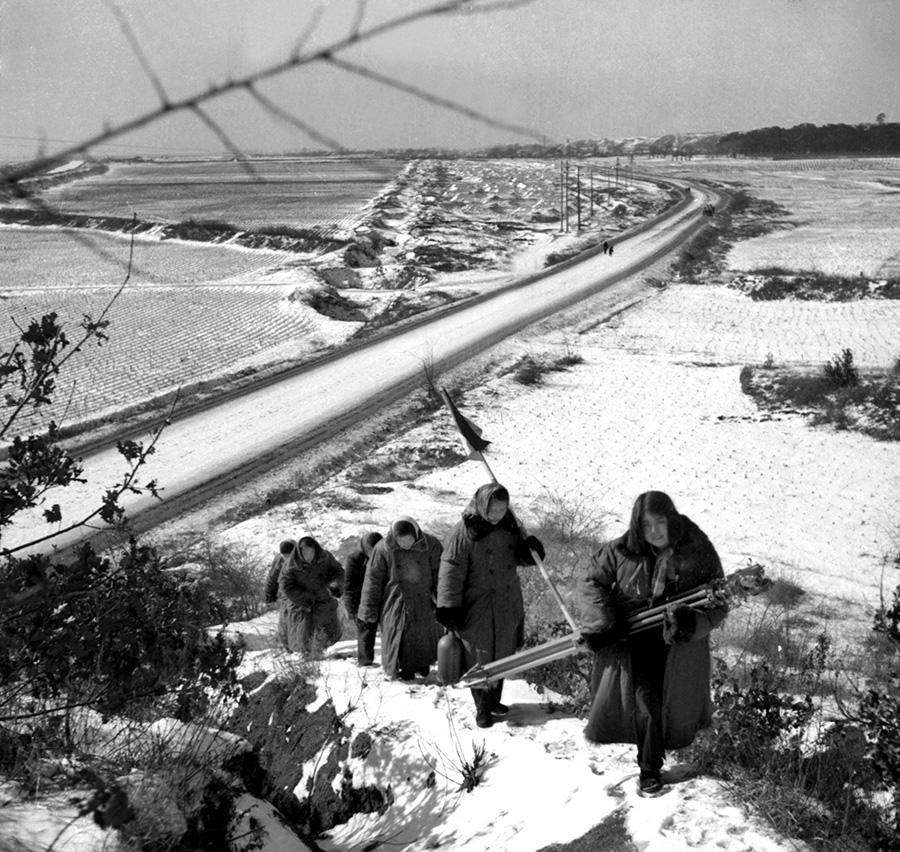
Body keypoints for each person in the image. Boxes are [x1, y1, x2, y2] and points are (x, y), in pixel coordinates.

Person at [577, 491, 726, 796]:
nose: (654, 531)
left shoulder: (697, 547)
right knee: (646, 701)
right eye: (646, 525)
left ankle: (666, 754)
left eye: (660, 522)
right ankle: (649, 768)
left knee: (672, 703)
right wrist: (609, 620)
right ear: (637, 526)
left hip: (680, 644)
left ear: (671, 519)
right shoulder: (622, 549)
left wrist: (691, 624)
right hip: (636, 637)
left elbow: (719, 604)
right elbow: (590, 582)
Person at [436, 483, 545, 728]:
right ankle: (482, 708)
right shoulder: (463, 533)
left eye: (502, 509)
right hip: (476, 606)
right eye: (493, 509)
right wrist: (448, 607)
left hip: (506, 602)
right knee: (479, 657)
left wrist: (531, 551)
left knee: (502, 654)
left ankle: (495, 701)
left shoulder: (510, 528)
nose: (497, 515)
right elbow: (450, 572)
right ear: (482, 505)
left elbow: (519, 556)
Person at [358, 517, 442, 680]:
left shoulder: (431, 545)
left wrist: (443, 601)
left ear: (416, 535)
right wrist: (368, 610)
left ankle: (423, 665)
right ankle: (404, 669)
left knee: (423, 634)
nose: (406, 545)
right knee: (399, 635)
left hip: (423, 599)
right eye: (401, 541)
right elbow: (373, 581)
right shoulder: (383, 548)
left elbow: (440, 574)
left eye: (409, 540)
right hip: (395, 600)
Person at [279, 535, 345, 655]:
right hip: (303, 605)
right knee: (304, 637)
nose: (308, 556)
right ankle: (307, 658)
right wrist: (305, 598)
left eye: (311, 552)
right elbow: (286, 586)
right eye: (305, 553)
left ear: (315, 550)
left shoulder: (325, 557)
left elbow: (338, 572)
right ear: (299, 552)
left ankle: (323, 653)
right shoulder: (291, 565)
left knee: (327, 633)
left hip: (323, 600)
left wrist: (336, 584)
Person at [343, 531, 384, 666]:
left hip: (381, 598)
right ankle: (365, 663)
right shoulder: (354, 559)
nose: (373, 553)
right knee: (365, 632)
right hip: (361, 601)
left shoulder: (384, 556)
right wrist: (351, 608)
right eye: (371, 550)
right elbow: (349, 586)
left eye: (376, 550)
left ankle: (390, 660)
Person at [265, 539, 295, 648]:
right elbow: (272, 578)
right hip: (286, 596)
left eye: (289, 555)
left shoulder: (304, 558)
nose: (286, 558)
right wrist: (269, 596)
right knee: (285, 622)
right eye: (284, 556)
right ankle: (287, 647)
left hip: (303, 595)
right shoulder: (279, 560)